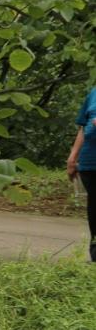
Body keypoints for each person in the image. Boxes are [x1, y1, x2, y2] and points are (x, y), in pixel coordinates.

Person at [65, 86, 96, 262]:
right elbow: (83, 127)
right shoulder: (94, 93)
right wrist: (73, 157)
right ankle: (95, 256)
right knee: (94, 209)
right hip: (90, 162)